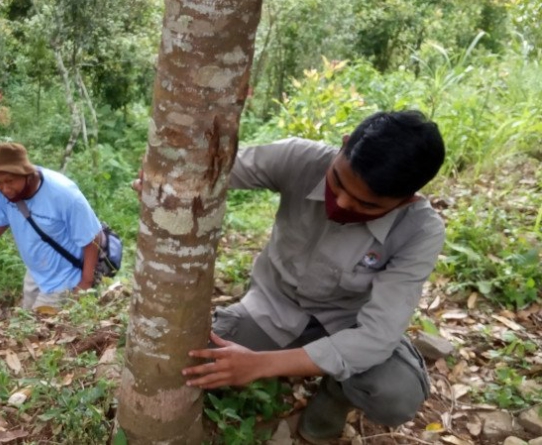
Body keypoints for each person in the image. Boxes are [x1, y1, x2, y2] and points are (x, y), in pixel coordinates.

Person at [177, 110, 446, 443]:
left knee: (395, 394)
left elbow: (376, 336)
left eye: (367, 205)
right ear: (344, 145)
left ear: (407, 200)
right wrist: (166, 187)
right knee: (190, 362)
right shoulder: (300, 159)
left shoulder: (420, 231)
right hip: (272, 306)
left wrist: (261, 365)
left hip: (348, 324)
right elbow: (212, 172)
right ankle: (289, 359)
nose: (342, 203)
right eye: (337, 181)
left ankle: (334, 397)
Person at [0, 142, 102, 310]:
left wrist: (85, 283)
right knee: (25, 317)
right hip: (35, 274)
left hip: (65, 277)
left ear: (27, 175)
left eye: (10, 181)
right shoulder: (2, 191)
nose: (5, 188)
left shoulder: (64, 194)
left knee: (38, 325)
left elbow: (92, 237)